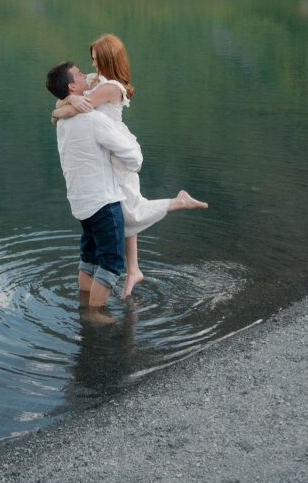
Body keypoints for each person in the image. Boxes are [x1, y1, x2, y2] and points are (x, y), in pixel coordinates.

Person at [52, 34, 208, 297]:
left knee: (130, 212)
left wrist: (66, 106)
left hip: (116, 152)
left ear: (107, 59)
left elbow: (77, 105)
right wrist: (62, 105)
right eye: (91, 60)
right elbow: (66, 96)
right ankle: (134, 269)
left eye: (95, 59)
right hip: (106, 150)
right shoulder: (95, 80)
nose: (91, 66)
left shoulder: (112, 87)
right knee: (126, 213)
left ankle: (178, 203)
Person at [45, 59, 144, 308]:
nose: (85, 77)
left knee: (89, 257)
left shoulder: (62, 122)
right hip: (103, 201)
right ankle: (95, 314)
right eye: (79, 75)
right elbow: (133, 157)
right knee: (111, 263)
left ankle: (83, 303)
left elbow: (59, 111)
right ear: (71, 88)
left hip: (79, 201)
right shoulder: (94, 121)